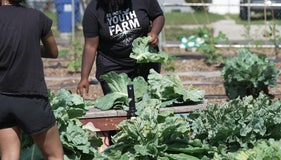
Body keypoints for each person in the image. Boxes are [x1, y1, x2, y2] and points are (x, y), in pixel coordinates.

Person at [0, 0, 64, 159]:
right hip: (31, 97)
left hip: (2, 98)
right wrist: (31, 46)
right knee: (54, 155)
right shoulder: (36, 17)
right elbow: (53, 52)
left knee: (9, 155)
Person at [77, 0, 165, 96]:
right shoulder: (93, 10)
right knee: (121, 102)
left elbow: (158, 16)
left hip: (144, 61)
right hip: (113, 65)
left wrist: (154, 32)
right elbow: (90, 45)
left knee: (148, 101)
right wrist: (84, 78)